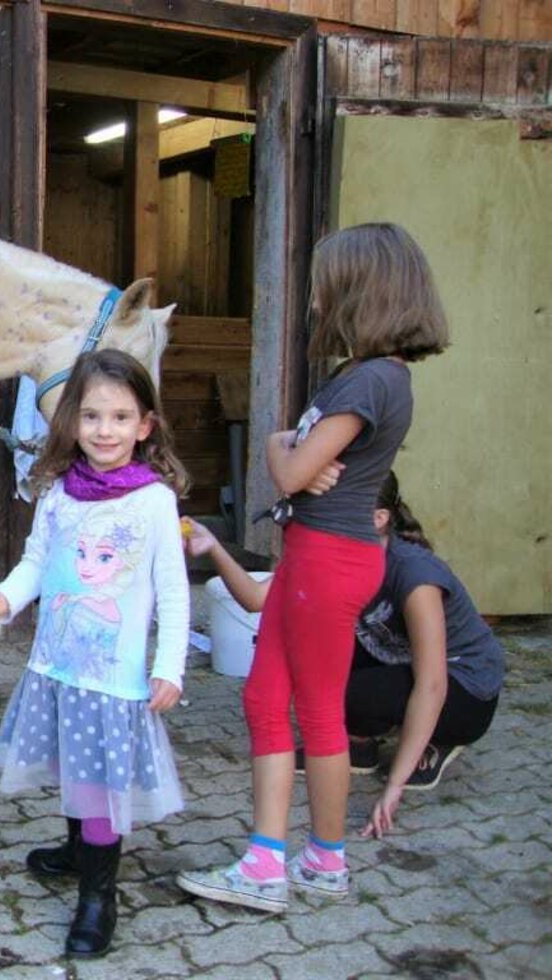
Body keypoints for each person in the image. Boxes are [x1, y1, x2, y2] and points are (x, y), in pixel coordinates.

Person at [175, 222, 449, 913]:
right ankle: (274, 860)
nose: (318, 300)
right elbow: (303, 465)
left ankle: (318, 862)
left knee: (318, 713)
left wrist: (276, 446)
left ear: (363, 288)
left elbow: (292, 471)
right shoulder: (366, 377)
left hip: (329, 560)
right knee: (267, 701)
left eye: (327, 285)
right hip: (314, 556)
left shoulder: (373, 380)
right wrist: (291, 452)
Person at [0, 348, 190, 957]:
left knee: (96, 784)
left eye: (120, 417)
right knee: (73, 769)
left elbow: (172, 590)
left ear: (144, 425)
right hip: (57, 666)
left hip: (112, 680)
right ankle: (75, 849)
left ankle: (99, 897)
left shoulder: (152, 502)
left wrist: (168, 665)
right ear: (71, 423)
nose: (105, 430)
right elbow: (38, 562)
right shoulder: (61, 491)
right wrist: (4, 601)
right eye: (91, 416)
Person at [182, 471, 503, 841]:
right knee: (317, 677)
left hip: (464, 690)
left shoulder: (415, 574)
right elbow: (257, 600)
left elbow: (432, 684)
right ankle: (360, 746)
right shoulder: (327, 554)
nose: (320, 518)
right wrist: (213, 547)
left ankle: (434, 743)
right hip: (397, 662)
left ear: (379, 519)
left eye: (334, 509)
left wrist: (395, 784)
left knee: (339, 695)